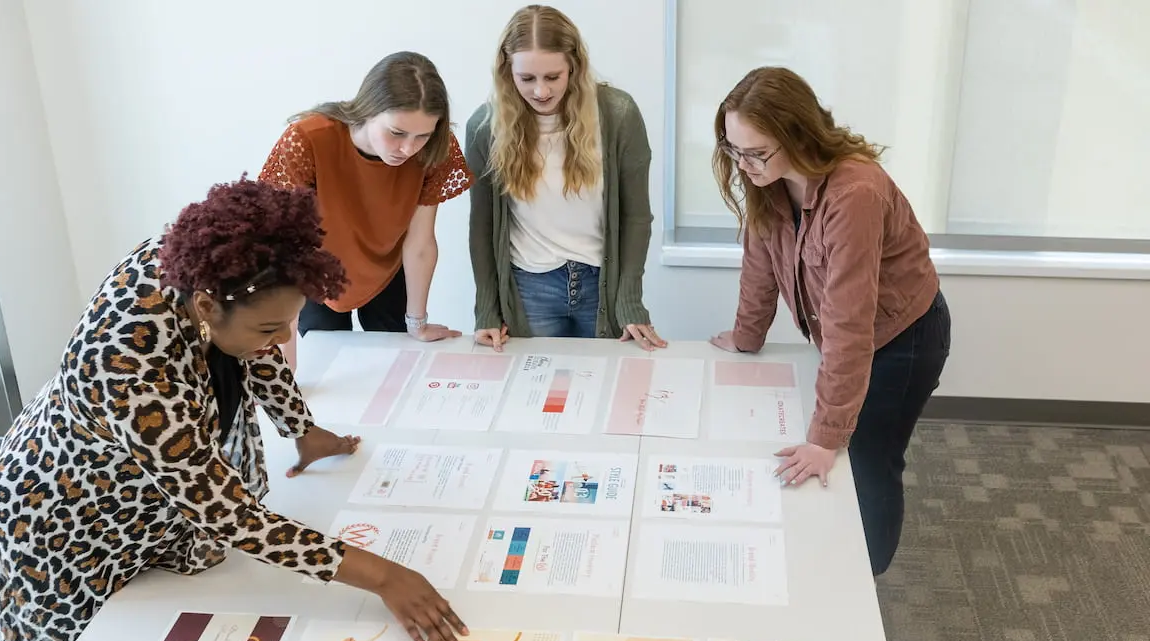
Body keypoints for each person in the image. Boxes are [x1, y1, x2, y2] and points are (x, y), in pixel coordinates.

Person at [0, 178, 468, 641]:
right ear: (207, 306)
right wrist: (384, 575)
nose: (284, 338)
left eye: (290, 321)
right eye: (272, 326)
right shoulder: (130, 368)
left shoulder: (222, 275)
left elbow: (252, 345)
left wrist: (300, 428)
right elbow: (230, 516)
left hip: (156, 489)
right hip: (62, 514)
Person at [708, 66, 952, 576]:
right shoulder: (770, 179)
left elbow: (848, 322)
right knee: (841, 452)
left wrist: (826, 435)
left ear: (797, 135)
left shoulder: (854, 193)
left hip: (903, 338)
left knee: (870, 460)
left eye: (755, 152)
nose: (742, 164)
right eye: (733, 150)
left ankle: (867, 580)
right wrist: (746, 335)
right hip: (855, 335)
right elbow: (760, 261)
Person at [466, 4, 666, 351]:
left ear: (574, 65)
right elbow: (482, 224)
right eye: (526, 79)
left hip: (602, 284)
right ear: (506, 70)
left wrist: (630, 298)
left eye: (553, 77)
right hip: (529, 287)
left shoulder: (618, 115)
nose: (541, 91)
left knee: (605, 393)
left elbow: (636, 216)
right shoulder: (486, 128)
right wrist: (486, 308)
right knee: (534, 395)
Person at [259, 50, 473, 349]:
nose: (408, 149)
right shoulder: (308, 140)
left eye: (422, 136)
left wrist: (417, 322)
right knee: (326, 359)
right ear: (370, 108)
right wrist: (285, 356)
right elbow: (284, 249)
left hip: (388, 267)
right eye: (397, 133)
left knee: (395, 361)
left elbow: (421, 242)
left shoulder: (436, 149)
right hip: (315, 272)